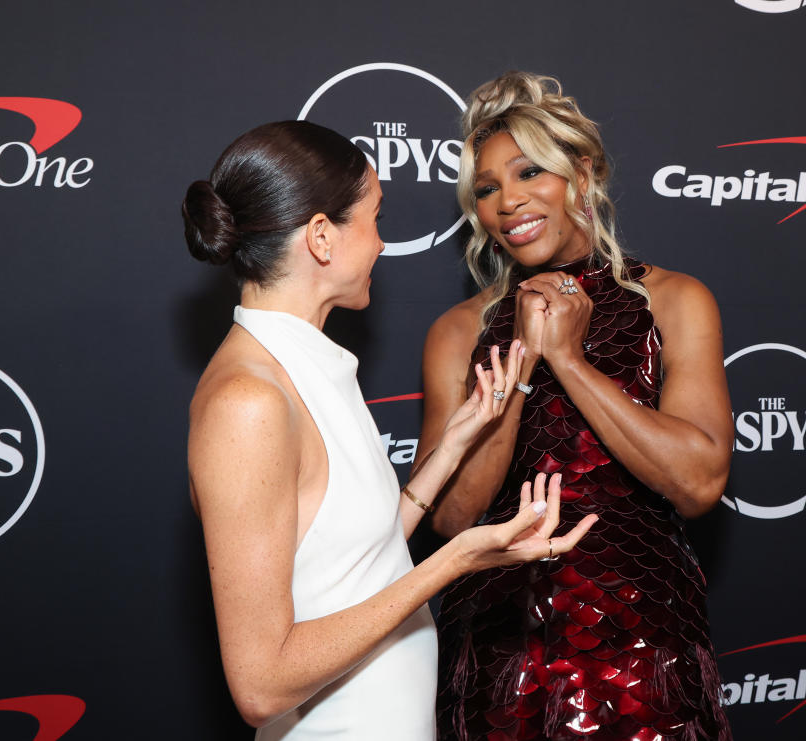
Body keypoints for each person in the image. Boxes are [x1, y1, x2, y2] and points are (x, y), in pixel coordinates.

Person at [181, 120, 597, 741]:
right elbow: (261, 685)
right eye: (374, 218)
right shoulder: (249, 400)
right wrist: (455, 559)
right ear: (322, 237)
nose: (380, 244)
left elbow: (350, 563)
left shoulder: (309, 362)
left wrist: (455, 441)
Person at [416, 73, 734, 740]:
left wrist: (569, 358)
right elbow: (449, 514)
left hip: (644, 651)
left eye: (529, 171)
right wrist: (523, 360)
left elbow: (700, 480)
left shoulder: (675, 300)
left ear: (581, 174)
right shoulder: (458, 331)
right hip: (499, 654)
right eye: (487, 188)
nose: (508, 201)